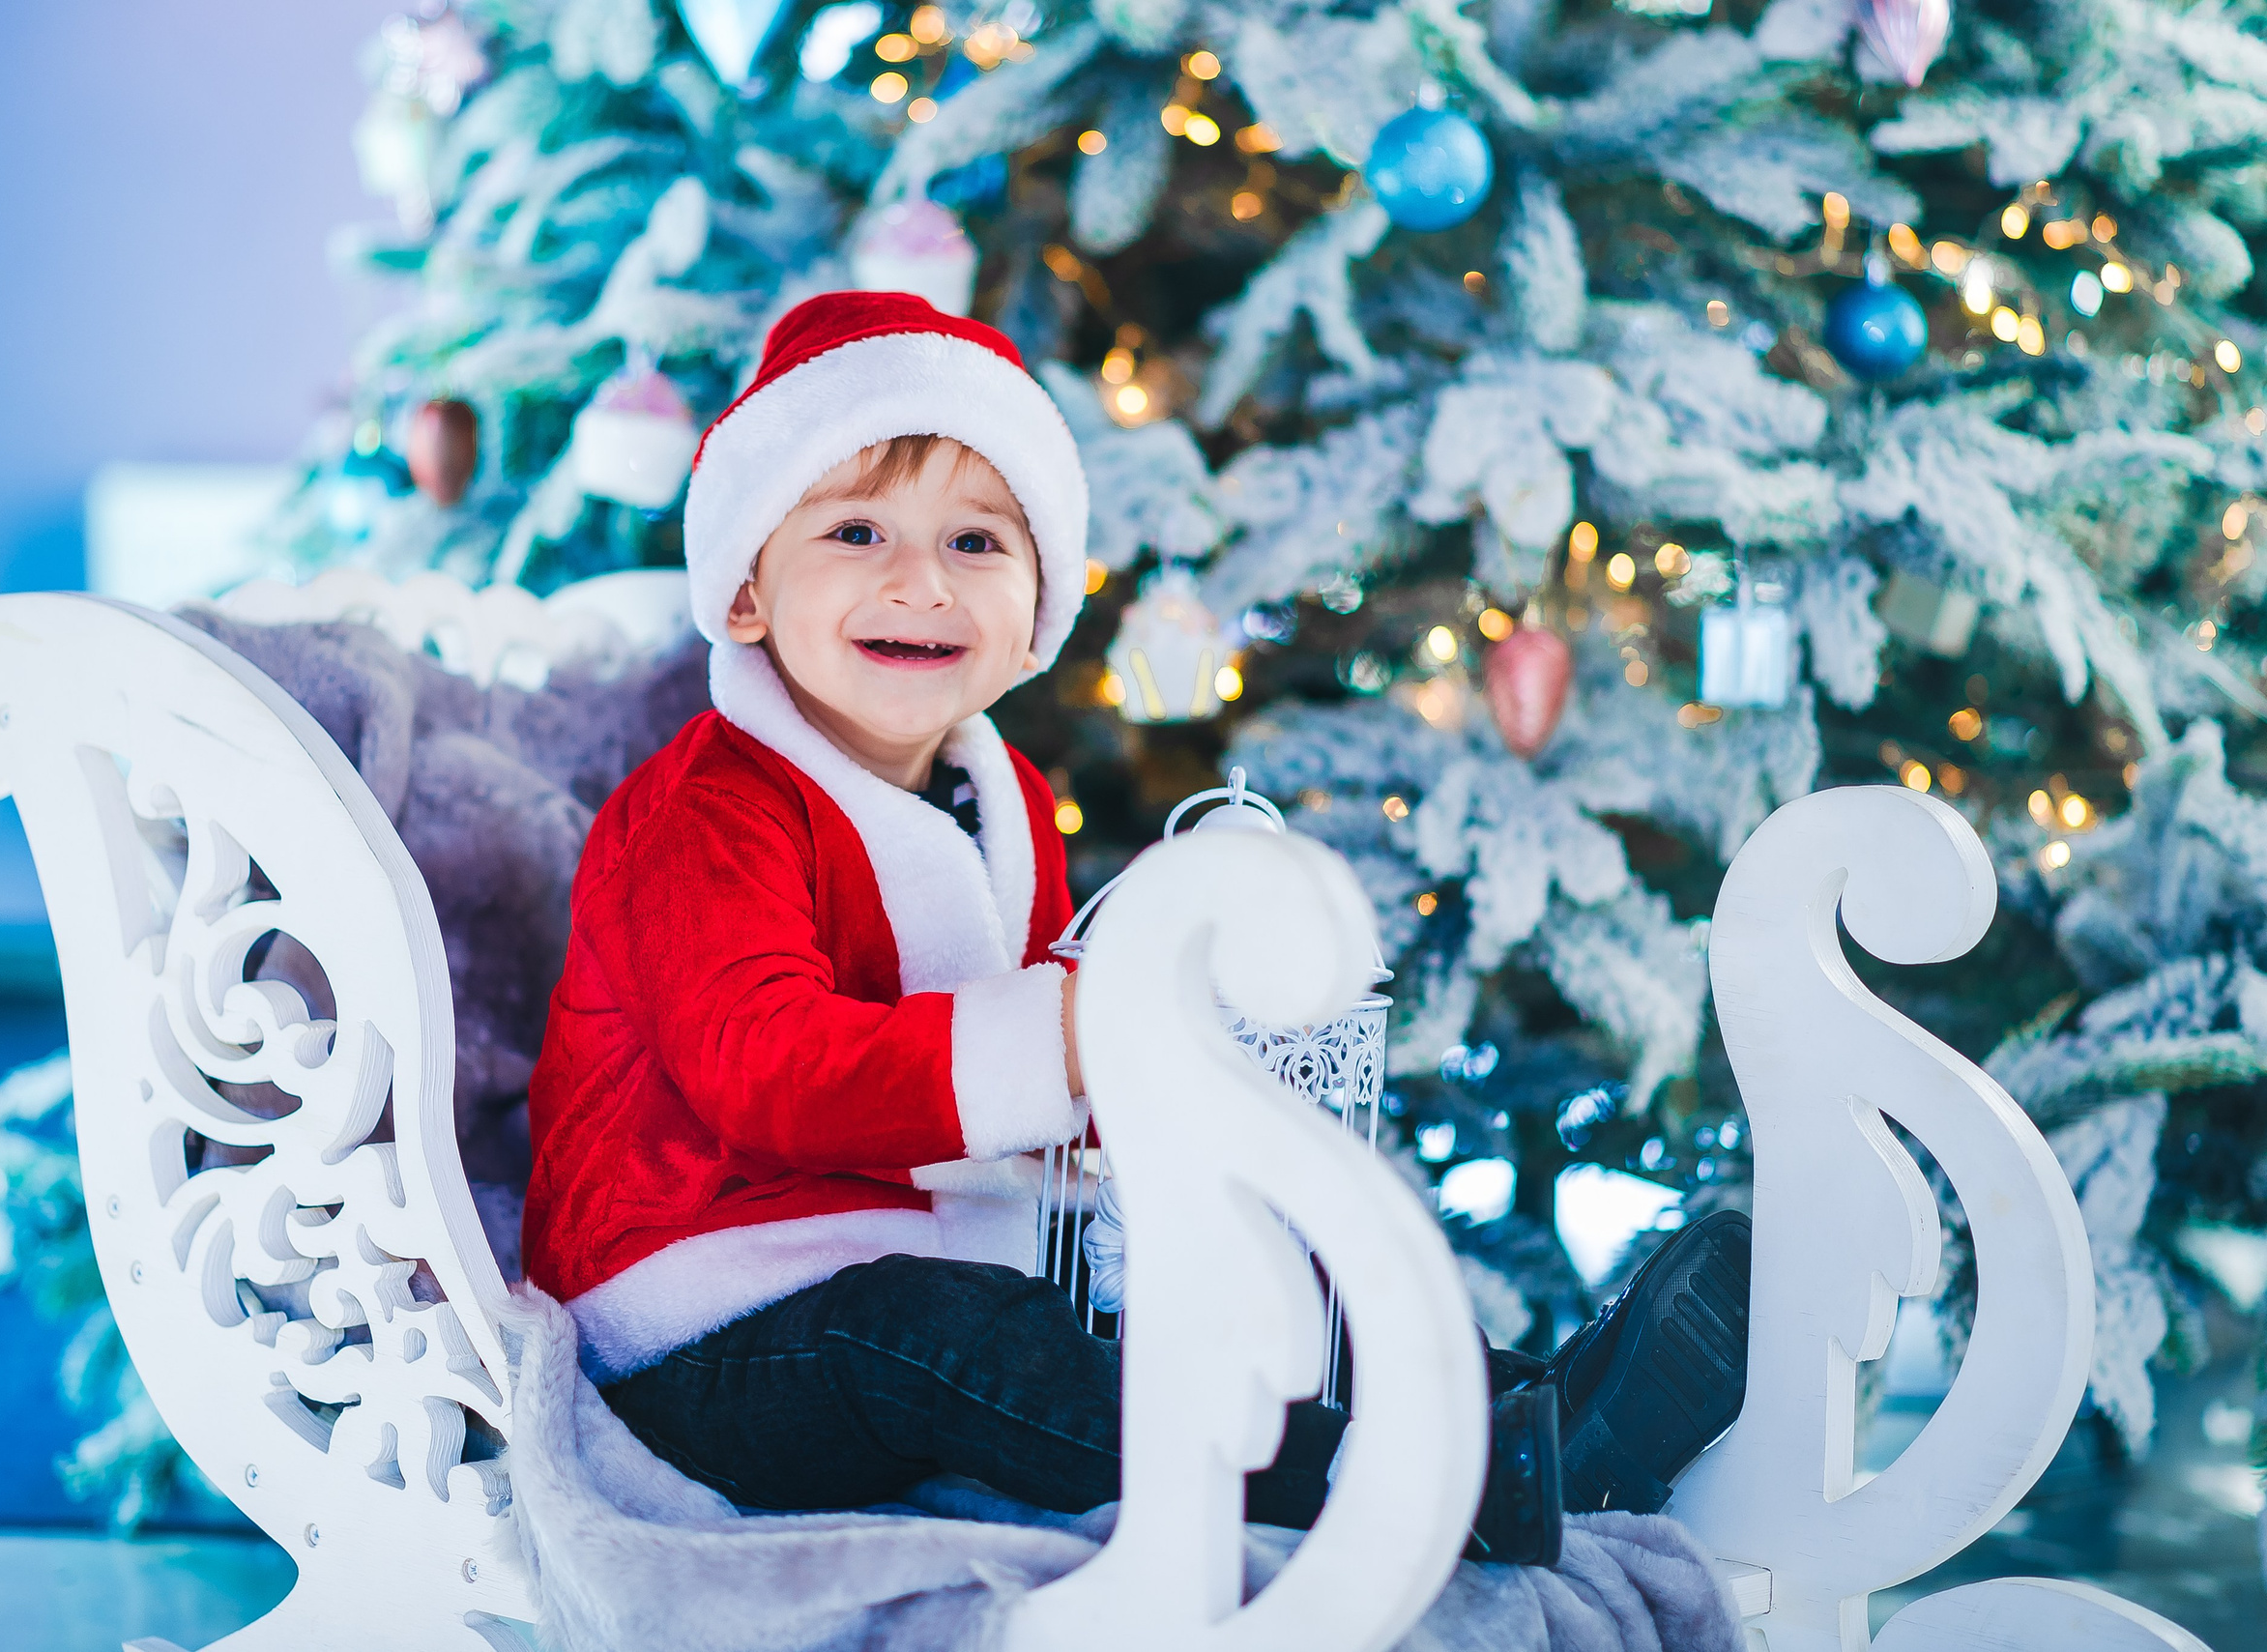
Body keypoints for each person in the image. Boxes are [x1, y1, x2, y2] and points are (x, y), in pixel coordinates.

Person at [521, 289, 1751, 1567]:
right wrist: (1067, 1040)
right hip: (707, 1318)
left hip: (935, 1250)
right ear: (746, 596)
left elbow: (1063, 1064)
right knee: (954, 1345)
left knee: (1219, 1289)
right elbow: (765, 1066)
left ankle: (1542, 1411)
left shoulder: (1003, 805)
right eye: (857, 530)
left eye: (977, 545)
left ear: (1036, 609)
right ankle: (1419, 1483)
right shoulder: (706, 815)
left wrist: (1177, 1104)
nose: (920, 581)